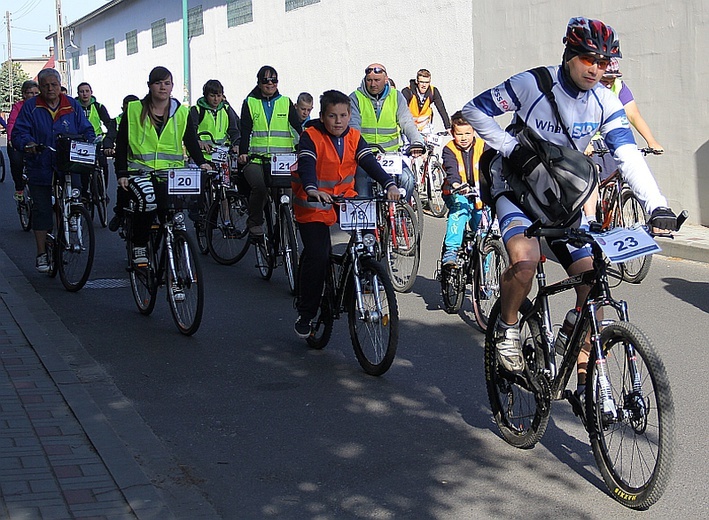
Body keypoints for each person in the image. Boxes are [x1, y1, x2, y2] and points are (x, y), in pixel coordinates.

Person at [462, 17, 678, 391]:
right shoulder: (532, 84)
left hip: (562, 195)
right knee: (525, 263)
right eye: (588, 59)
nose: (596, 68)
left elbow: (628, 155)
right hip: (516, 187)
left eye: (604, 61)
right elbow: (474, 110)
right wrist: (512, 148)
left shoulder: (605, 101)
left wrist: (657, 205)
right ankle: (508, 324)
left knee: (592, 277)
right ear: (569, 55)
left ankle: (576, 349)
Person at [292, 90, 400, 338]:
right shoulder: (311, 136)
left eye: (343, 115)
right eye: (332, 116)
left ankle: (362, 275)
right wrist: (311, 188)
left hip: (344, 200)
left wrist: (389, 184)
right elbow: (307, 163)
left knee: (367, 242)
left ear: (350, 115)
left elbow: (369, 162)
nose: (338, 121)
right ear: (322, 116)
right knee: (318, 255)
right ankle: (306, 312)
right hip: (313, 204)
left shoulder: (354, 136)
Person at [114, 66, 211, 266]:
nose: (163, 87)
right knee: (148, 201)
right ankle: (140, 244)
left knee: (176, 213)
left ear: (172, 86)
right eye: (158, 83)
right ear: (150, 86)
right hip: (139, 171)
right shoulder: (134, 109)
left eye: (167, 83)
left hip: (170, 173)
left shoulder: (182, 113)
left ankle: (173, 263)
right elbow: (122, 142)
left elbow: (191, 141)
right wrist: (121, 172)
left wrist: (202, 163)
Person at [11, 69, 95, 273]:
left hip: (67, 162)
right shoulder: (31, 107)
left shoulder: (71, 105)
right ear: (40, 87)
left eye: (54, 84)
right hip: (40, 163)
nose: (50, 88)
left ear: (60, 85)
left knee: (74, 196)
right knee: (41, 209)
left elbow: (87, 129)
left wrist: (89, 142)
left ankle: (71, 218)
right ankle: (41, 253)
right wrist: (28, 144)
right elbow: (18, 133)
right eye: (46, 85)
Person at [238, 65, 302, 239]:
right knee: (259, 188)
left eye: (274, 80)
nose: (270, 83)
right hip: (256, 159)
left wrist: (304, 148)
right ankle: (255, 224)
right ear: (259, 83)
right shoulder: (250, 102)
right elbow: (245, 130)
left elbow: (297, 128)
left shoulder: (285, 102)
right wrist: (243, 152)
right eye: (266, 80)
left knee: (286, 194)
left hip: (281, 160)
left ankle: (284, 226)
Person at [349, 63, 424, 201]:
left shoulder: (396, 96)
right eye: (369, 80)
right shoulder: (355, 97)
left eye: (377, 80)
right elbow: (354, 127)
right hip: (365, 156)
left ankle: (401, 213)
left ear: (386, 79)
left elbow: (406, 122)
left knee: (408, 180)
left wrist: (417, 142)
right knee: (363, 193)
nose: (373, 84)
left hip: (391, 155)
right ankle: (368, 220)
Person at [440, 111, 486, 266]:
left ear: (474, 131)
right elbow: (451, 171)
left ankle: (486, 279)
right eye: (459, 134)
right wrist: (457, 186)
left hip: (481, 194)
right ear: (453, 133)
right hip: (457, 191)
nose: (464, 138)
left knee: (483, 228)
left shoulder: (483, 146)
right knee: (460, 208)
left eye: (468, 133)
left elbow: (493, 168)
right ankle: (451, 250)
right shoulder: (449, 149)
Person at [108, 94, 139, 231]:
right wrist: (108, 147)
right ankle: (119, 214)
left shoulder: (144, 118)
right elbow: (110, 135)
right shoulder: (117, 121)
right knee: (124, 188)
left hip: (141, 161)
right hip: (123, 159)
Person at [76, 82, 116, 186]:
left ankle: (103, 191)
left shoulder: (99, 107)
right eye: (82, 91)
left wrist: (110, 140)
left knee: (103, 165)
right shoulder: (74, 107)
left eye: (87, 91)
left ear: (91, 92)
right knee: (82, 168)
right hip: (80, 141)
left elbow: (108, 123)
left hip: (97, 141)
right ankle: (84, 193)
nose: (84, 94)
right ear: (78, 93)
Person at [6, 80, 40, 200]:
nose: (33, 96)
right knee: (17, 161)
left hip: (36, 139)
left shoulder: (41, 106)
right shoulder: (18, 107)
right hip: (19, 139)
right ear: (24, 94)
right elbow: (11, 123)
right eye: (30, 93)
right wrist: (11, 138)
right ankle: (19, 189)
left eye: (36, 93)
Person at [190, 79, 241, 158]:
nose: (216, 99)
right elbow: (191, 131)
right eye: (212, 96)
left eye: (219, 96)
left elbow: (234, 130)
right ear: (206, 95)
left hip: (222, 156)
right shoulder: (197, 110)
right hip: (202, 156)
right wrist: (198, 141)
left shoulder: (226, 109)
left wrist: (237, 144)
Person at [401, 69, 451, 133]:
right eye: (421, 82)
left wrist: (448, 127)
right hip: (409, 123)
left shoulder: (433, 91)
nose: (424, 85)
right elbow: (402, 110)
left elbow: (441, 108)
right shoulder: (407, 91)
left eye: (427, 82)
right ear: (417, 81)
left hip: (425, 124)